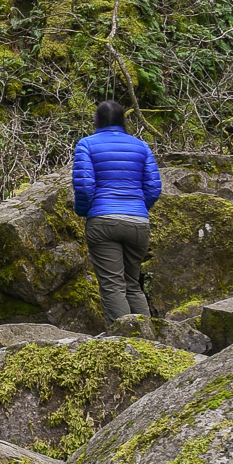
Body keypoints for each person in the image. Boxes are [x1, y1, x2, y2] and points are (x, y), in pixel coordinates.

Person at [71, 98, 162, 323]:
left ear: (96, 120)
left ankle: (125, 341)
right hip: (138, 223)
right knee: (132, 284)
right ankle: (150, 343)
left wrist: (85, 211)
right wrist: (138, 208)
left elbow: (84, 186)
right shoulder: (141, 146)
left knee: (113, 285)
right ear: (123, 120)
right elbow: (153, 188)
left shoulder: (87, 144)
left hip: (103, 222)